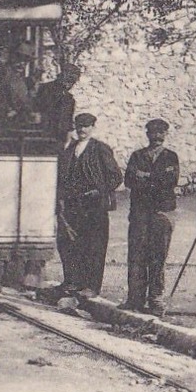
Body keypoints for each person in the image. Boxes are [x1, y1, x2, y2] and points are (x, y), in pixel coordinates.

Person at [49, 113, 121, 300]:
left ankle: (91, 286)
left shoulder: (100, 149)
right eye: (79, 126)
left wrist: (99, 191)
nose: (82, 129)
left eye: (86, 126)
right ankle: (72, 281)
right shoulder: (70, 148)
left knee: (94, 246)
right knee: (70, 244)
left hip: (94, 206)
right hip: (73, 205)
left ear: (93, 127)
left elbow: (115, 177)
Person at [122, 119, 179, 315]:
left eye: (161, 132)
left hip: (161, 213)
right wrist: (154, 177)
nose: (157, 136)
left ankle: (155, 298)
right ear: (147, 134)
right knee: (137, 255)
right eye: (153, 132)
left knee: (158, 256)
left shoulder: (171, 157)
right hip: (139, 213)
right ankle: (135, 298)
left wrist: (145, 176)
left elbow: (170, 181)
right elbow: (129, 180)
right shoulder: (137, 156)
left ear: (165, 134)